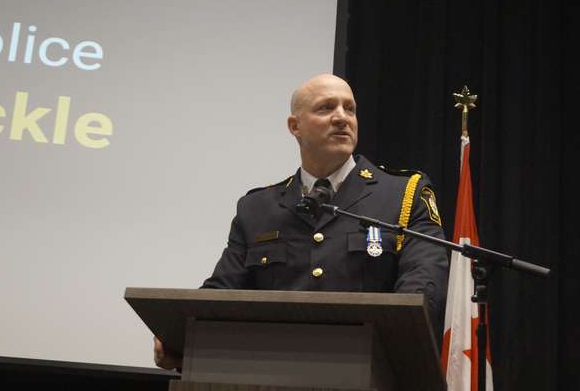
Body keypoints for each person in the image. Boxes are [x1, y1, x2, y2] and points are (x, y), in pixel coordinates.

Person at [154, 73, 449, 369]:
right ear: (295, 126)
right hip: (271, 372)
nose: (342, 118)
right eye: (326, 108)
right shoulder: (257, 208)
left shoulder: (403, 194)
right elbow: (223, 290)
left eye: (350, 108)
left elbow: (424, 286)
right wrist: (181, 337)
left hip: (371, 369)